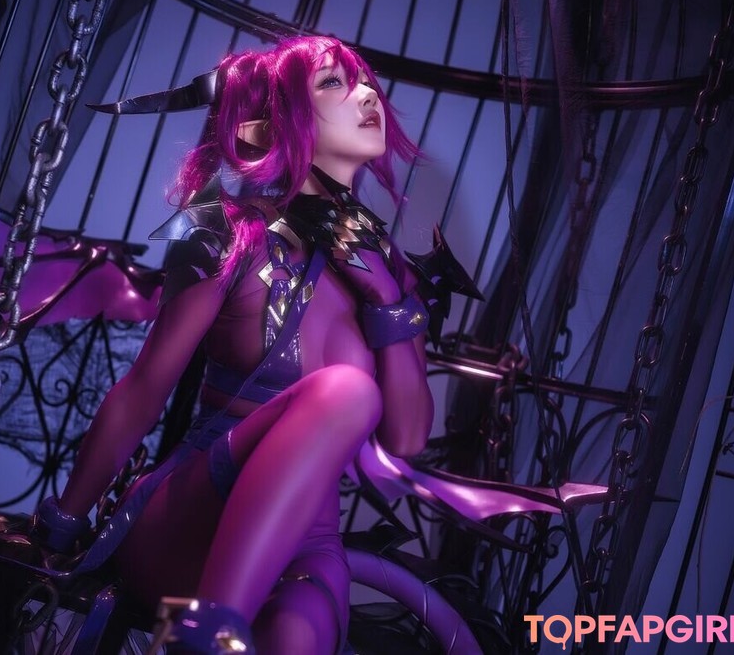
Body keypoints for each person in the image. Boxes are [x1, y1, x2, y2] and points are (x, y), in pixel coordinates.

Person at [32, 35, 434, 655]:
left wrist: (385, 296)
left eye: (366, 82)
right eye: (333, 82)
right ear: (282, 117)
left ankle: (210, 634)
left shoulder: (389, 268)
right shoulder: (226, 228)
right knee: (346, 391)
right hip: (186, 522)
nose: (365, 96)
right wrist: (63, 524)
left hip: (306, 543)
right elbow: (144, 390)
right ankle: (207, 632)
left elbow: (407, 439)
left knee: (296, 637)